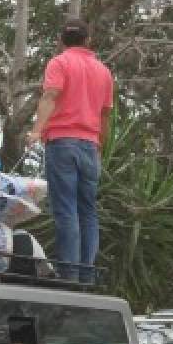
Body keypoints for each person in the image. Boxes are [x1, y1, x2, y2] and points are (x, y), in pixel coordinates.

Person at [26, 18, 113, 283]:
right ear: (88, 41)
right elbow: (105, 115)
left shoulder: (59, 63)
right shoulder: (103, 71)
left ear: (61, 41)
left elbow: (51, 96)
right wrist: (100, 146)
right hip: (90, 146)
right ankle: (86, 275)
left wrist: (36, 131)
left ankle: (69, 275)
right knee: (88, 210)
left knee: (66, 209)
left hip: (63, 143)